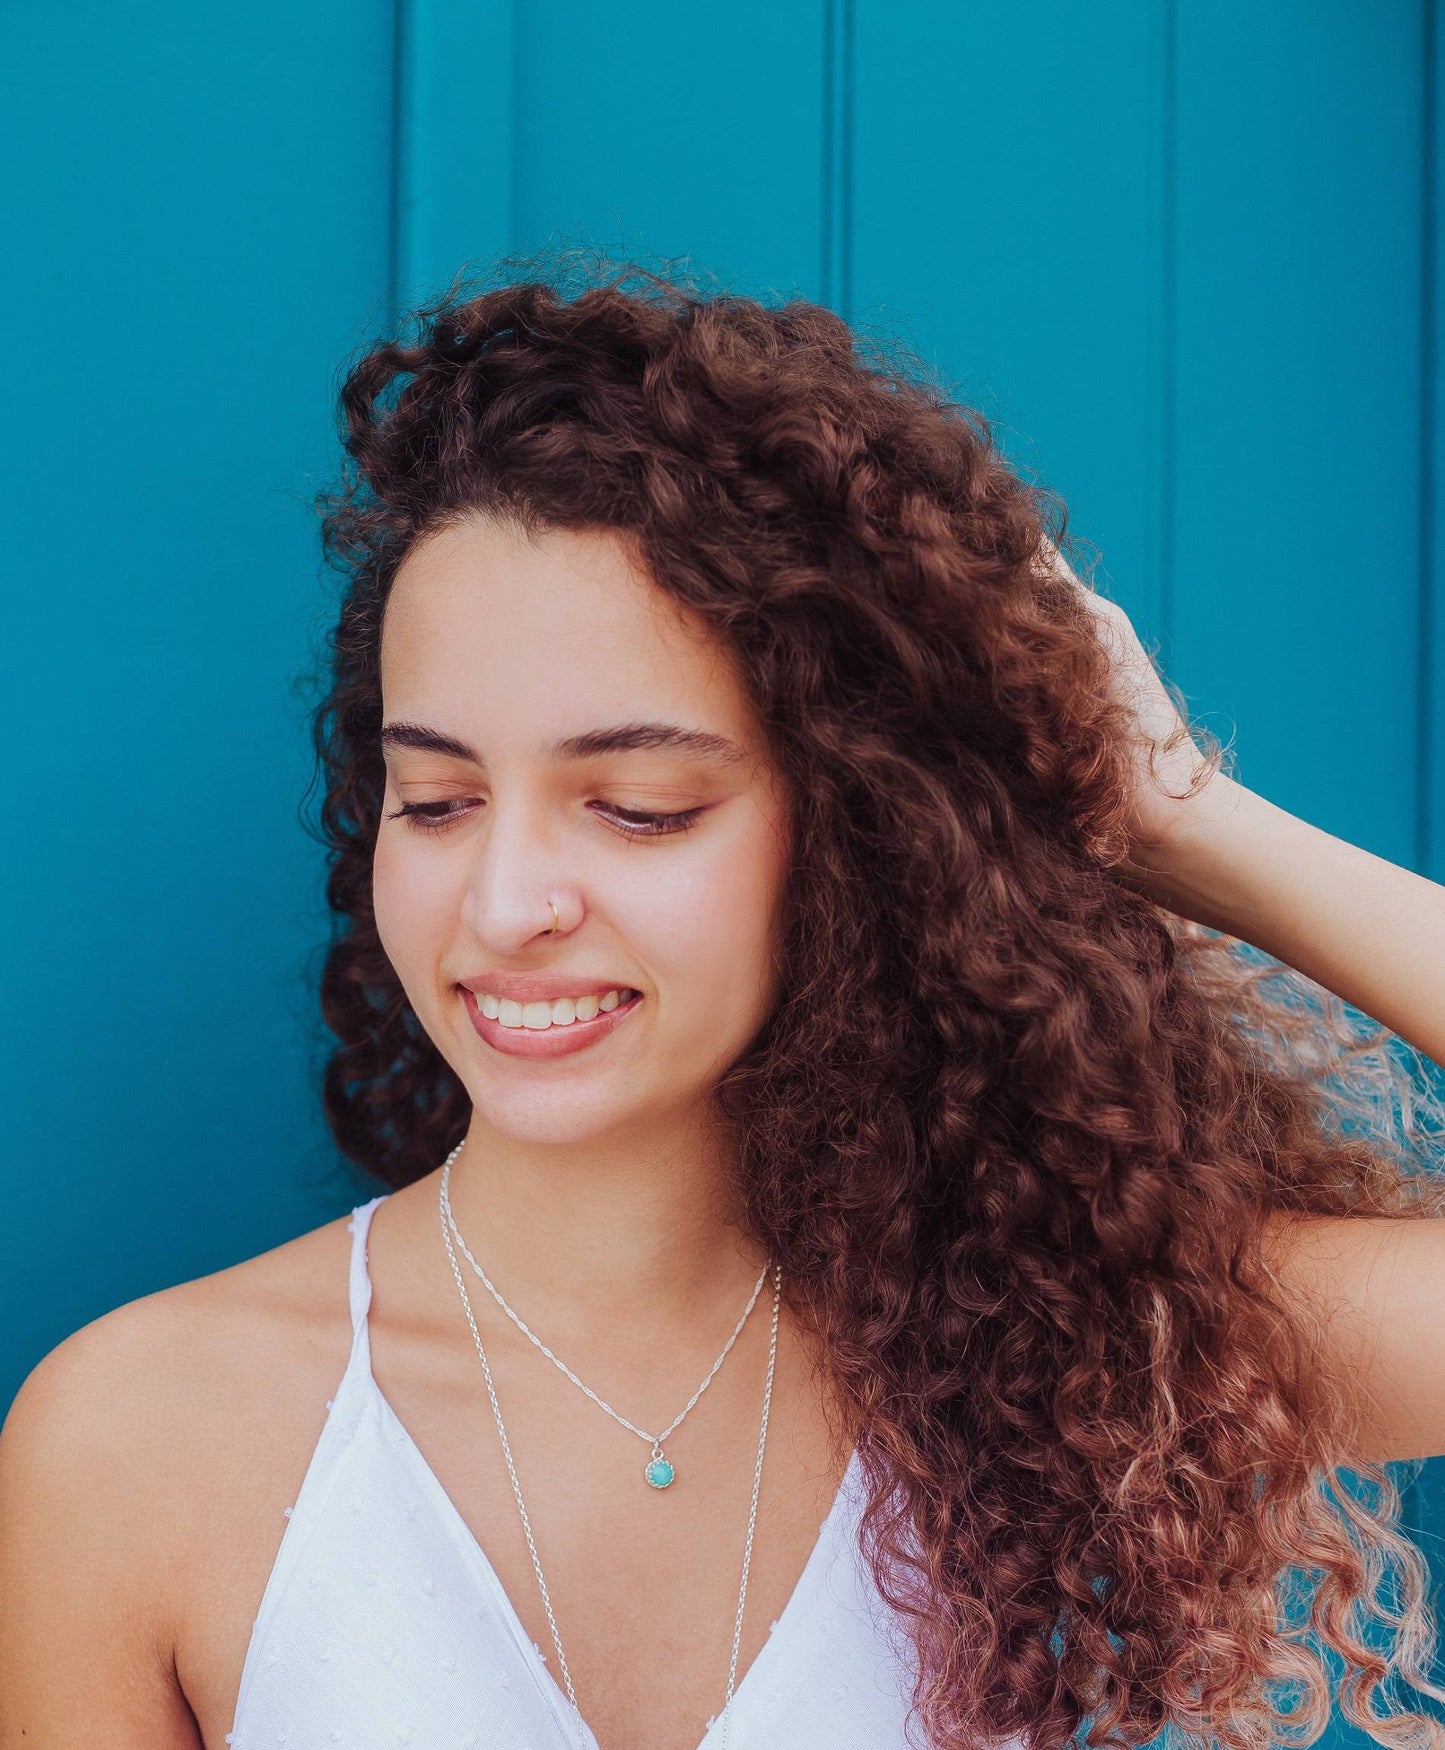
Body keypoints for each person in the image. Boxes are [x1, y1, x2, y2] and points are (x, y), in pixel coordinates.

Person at [2, 255, 1444, 1750]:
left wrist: (1175, 814)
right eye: (434, 801)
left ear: (857, 828)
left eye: (634, 807)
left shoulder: (1054, 1348)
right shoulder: (129, 1441)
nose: (502, 907)